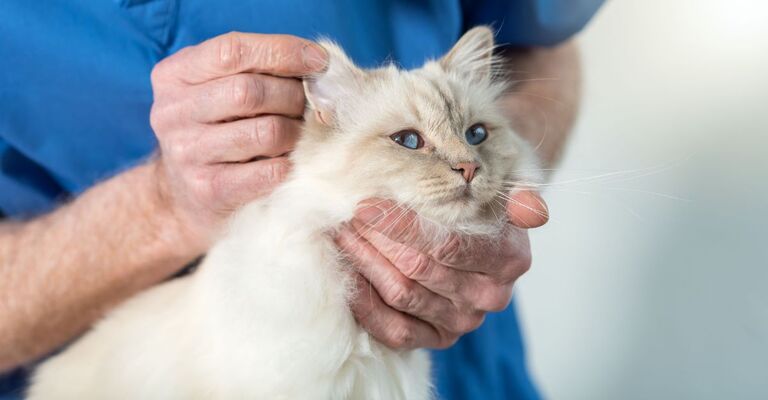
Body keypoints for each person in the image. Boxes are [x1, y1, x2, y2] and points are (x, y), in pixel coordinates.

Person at [0, 1, 603, 398]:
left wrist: (511, 175)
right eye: (410, 141)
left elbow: (539, 40)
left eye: (472, 139)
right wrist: (162, 207)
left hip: (472, 362)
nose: (463, 163)